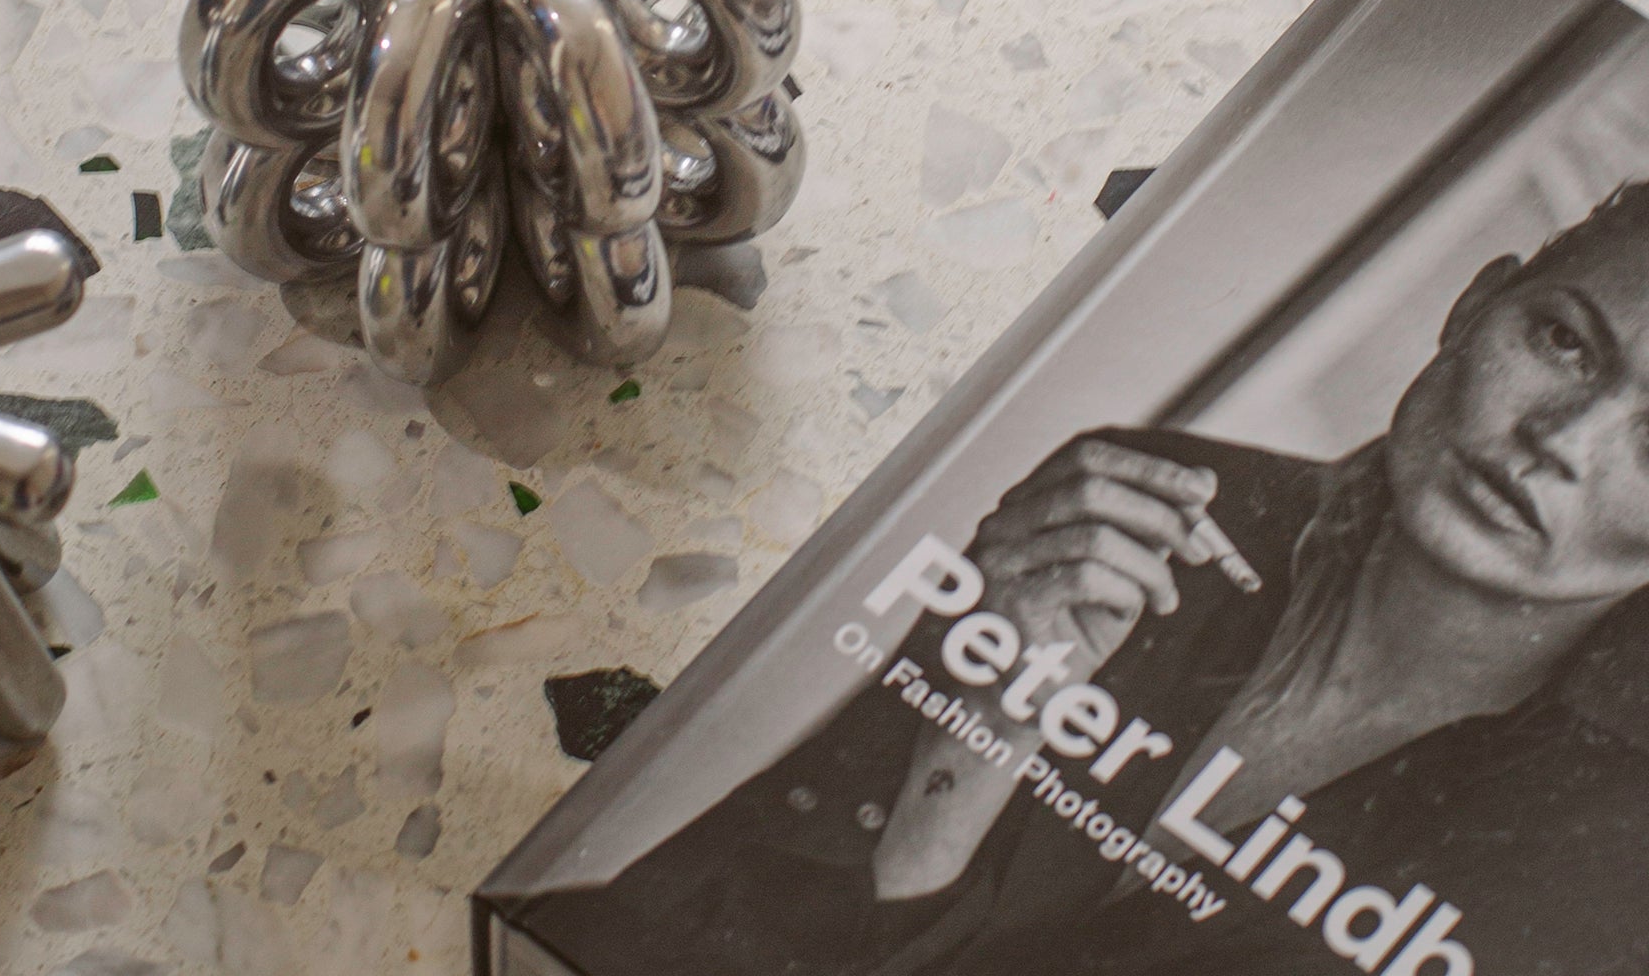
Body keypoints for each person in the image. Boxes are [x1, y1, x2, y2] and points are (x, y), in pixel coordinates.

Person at [514, 183, 1649, 973]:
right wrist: (960, 766)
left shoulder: (1613, 869)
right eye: (1565, 342)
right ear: (1476, 305)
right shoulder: (1154, 498)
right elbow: (700, 917)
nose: (1564, 438)